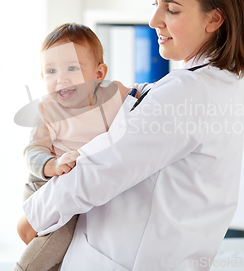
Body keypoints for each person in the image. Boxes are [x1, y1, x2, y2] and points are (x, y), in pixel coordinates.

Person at [21, 0, 244, 270]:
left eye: (171, 9)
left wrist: (33, 215)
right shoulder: (219, 81)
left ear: (214, 18)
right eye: (155, 3)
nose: (153, 19)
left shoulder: (187, 93)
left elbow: (102, 171)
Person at [15, 23, 146, 271]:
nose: (61, 78)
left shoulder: (114, 93)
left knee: (68, 258)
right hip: (48, 188)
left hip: (82, 190)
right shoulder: (47, 111)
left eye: (72, 68)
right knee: (53, 245)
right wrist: (53, 165)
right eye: (51, 71)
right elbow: (32, 152)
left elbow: (143, 96)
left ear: (99, 74)